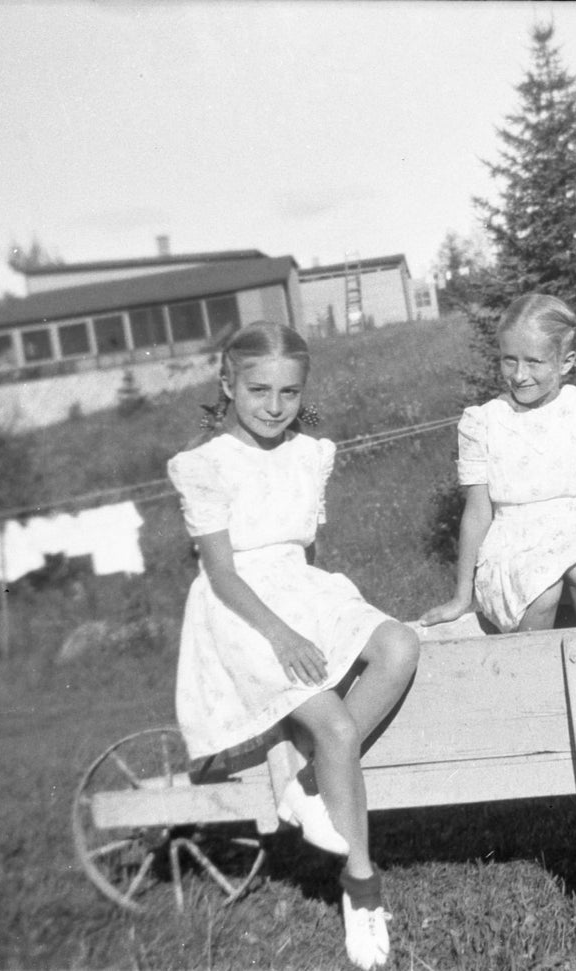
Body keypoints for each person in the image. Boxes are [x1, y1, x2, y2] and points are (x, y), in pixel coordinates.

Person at [168, 320, 420, 969]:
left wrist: (324, 616)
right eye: (257, 389)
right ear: (227, 383)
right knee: (334, 725)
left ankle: (309, 779)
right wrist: (282, 638)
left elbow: (306, 550)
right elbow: (221, 572)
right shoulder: (204, 464)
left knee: (397, 646)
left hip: (299, 585)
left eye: (287, 391)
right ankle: (361, 888)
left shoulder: (310, 452)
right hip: (241, 609)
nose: (273, 405)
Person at [419, 293, 576, 634]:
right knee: (541, 589)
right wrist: (462, 596)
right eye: (509, 360)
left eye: (533, 362)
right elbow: (477, 512)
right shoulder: (484, 421)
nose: (520, 375)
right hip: (513, 542)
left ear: (565, 362)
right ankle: (536, 678)